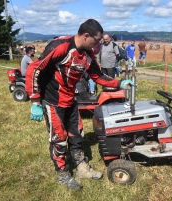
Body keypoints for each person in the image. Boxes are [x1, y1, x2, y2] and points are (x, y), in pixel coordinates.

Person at [25, 19, 134, 190]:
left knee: (77, 135)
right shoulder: (60, 46)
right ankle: (62, 173)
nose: (98, 44)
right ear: (86, 36)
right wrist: (35, 101)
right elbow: (34, 69)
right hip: (52, 101)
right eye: (97, 40)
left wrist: (119, 83)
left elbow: (98, 76)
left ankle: (82, 168)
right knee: (59, 140)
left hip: (71, 101)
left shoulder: (88, 55)